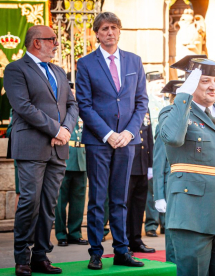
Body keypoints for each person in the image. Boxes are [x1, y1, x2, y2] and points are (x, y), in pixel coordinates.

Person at [158, 56, 215, 275]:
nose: (213, 86)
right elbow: (172, 138)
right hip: (192, 212)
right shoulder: (173, 112)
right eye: (205, 81)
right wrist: (184, 95)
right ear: (190, 83)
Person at [76, 12, 148, 269]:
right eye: (105, 28)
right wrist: (108, 134)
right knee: (97, 199)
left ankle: (121, 250)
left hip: (127, 141)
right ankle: (95, 251)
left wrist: (128, 133)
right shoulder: (85, 64)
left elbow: (141, 102)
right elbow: (84, 105)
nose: (110, 32)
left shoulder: (134, 61)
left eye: (114, 28)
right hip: (99, 141)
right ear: (97, 33)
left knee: (120, 198)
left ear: (119, 31)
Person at [4, 25, 79, 276]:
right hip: (31, 147)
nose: (56, 44)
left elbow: (72, 105)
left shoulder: (58, 71)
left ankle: (40, 256)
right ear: (37, 42)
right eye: (52, 40)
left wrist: (65, 129)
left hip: (59, 148)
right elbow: (23, 106)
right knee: (30, 202)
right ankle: (22, 258)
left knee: (48, 204)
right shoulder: (15, 69)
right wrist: (56, 130)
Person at [153, 80, 183, 263]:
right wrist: (159, 195)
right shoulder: (167, 119)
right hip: (170, 184)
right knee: (173, 236)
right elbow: (159, 160)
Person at [55, 109, 89, 247]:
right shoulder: (62, 110)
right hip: (65, 159)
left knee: (78, 202)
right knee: (61, 202)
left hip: (82, 159)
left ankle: (75, 233)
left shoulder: (84, 111)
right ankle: (61, 234)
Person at [126, 109, 156, 253]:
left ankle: (136, 241)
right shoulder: (125, 104)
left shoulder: (144, 108)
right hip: (127, 164)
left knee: (138, 206)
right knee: (125, 206)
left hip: (143, 164)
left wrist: (150, 164)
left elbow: (149, 137)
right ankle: (123, 241)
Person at [145, 71, 167, 238]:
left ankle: (166, 223)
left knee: (168, 186)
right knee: (152, 190)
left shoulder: (168, 104)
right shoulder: (146, 104)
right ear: (150, 85)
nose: (160, 85)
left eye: (162, 82)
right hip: (153, 150)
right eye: (157, 83)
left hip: (169, 150)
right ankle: (151, 224)